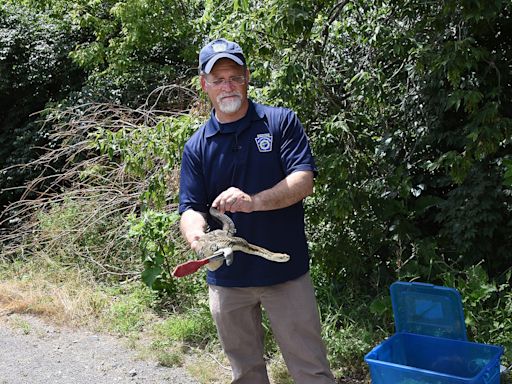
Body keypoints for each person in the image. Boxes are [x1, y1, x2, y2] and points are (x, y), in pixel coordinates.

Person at [178, 38, 335, 384]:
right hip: (228, 282)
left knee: (311, 370)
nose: (227, 86)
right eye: (218, 80)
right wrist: (198, 240)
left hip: (285, 274)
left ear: (247, 77)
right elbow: (189, 208)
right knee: (245, 374)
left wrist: (254, 201)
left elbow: (303, 180)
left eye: (234, 76)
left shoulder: (280, 123)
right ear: (204, 85)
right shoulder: (197, 146)